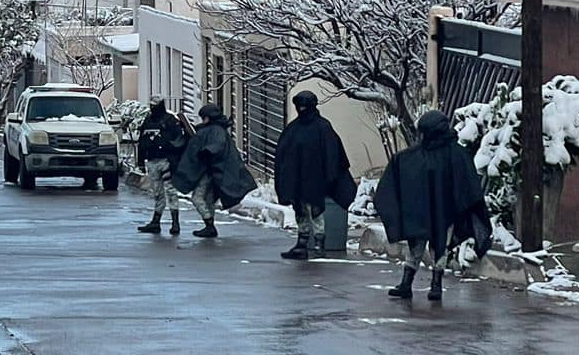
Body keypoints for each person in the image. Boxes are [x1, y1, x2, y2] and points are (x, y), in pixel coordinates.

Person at [373, 109, 492, 302]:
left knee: (432, 246)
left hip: (437, 212)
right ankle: (415, 285)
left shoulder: (449, 153)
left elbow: (465, 182)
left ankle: (426, 285)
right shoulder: (433, 154)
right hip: (433, 212)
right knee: (423, 245)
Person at [273, 90, 358, 259]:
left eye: (304, 106)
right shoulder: (294, 128)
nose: (301, 109)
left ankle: (319, 243)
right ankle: (302, 243)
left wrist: (330, 178)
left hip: (316, 179)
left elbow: (333, 154)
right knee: (300, 210)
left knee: (316, 211)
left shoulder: (322, 127)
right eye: (299, 106)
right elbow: (283, 154)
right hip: (297, 179)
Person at [171, 103, 255, 239]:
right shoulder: (215, 129)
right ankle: (209, 226)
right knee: (208, 199)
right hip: (213, 171)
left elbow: (215, 146)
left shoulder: (216, 131)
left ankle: (209, 224)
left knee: (197, 198)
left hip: (210, 171)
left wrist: (205, 151)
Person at [135, 96, 191, 236]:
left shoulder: (170, 120)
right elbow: (142, 141)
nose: (152, 108)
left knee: (171, 191)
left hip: (167, 161)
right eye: (151, 105)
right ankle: (156, 222)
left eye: (155, 105)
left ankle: (175, 223)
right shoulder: (148, 120)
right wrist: (140, 162)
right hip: (152, 161)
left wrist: (174, 157)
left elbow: (179, 140)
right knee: (157, 192)